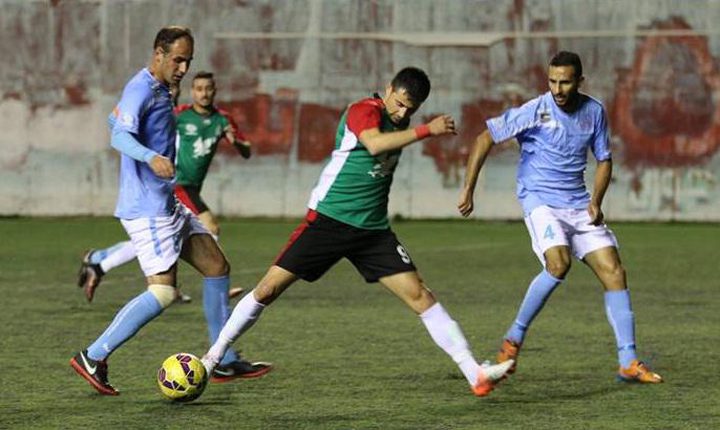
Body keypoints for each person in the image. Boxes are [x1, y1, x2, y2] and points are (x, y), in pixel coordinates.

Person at [199, 67, 515, 398]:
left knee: (420, 294)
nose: (403, 112)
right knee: (267, 290)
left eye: (412, 108)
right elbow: (374, 144)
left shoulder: (402, 121)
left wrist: (415, 126)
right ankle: (213, 359)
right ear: (388, 88)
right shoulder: (364, 110)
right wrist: (427, 129)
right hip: (329, 220)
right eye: (401, 103)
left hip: (373, 231)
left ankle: (474, 374)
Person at [69, 27, 271, 396]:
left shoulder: (160, 89)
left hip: (167, 202)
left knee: (216, 266)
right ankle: (94, 355)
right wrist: (149, 156)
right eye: (178, 60)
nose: (183, 68)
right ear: (158, 53)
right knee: (163, 293)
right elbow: (117, 137)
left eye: (188, 61)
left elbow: (115, 122)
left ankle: (222, 360)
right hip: (147, 209)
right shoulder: (141, 88)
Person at [457, 51, 663, 383]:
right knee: (558, 263)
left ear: (580, 81)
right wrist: (468, 189)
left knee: (614, 271)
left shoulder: (594, 111)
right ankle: (512, 342)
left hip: (578, 204)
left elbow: (604, 159)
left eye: (565, 81)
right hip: (540, 200)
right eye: (552, 81)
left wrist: (596, 200)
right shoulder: (535, 110)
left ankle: (628, 361)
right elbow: (484, 138)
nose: (557, 89)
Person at [77, 72, 251, 303]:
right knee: (210, 227)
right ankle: (215, 284)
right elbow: (145, 123)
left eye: (208, 88)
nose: (204, 93)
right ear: (193, 91)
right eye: (198, 88)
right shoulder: (180, 115)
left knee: (158, 238)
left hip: (193, 187)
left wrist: (237, 142)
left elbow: (246, 151)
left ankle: (99, 261)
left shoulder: (223, 120)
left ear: (215, 90)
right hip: (176, 183)